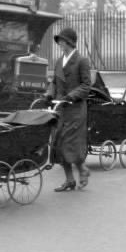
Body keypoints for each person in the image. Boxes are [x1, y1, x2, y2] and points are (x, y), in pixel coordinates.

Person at [45, 27, 91, 191]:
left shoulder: (82, 61)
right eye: (59, 41)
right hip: (60, 109)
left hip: (75, 109)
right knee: (59, 144)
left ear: (69, 42)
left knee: (70, 143)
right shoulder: (59, 61)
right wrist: (49, 94)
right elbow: (54, 82)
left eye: (62, 41)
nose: (59, 43)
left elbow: (86, 86)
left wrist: (70, 96)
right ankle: (70, 180)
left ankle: (82, 168)